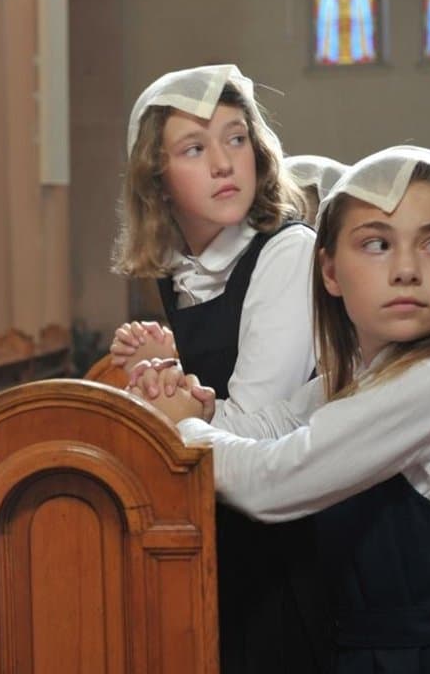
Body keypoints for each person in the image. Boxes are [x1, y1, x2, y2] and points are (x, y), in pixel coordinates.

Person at [134, 145, 430, 673]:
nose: (406, 269)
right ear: (330, 271)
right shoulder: (374, 372)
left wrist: (184, 428)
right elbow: (274, 424)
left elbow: (276, 479)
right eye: (377, 244)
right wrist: (195, 408)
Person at [108, 64, 327, 672]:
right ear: (156, 179)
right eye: (194, 149)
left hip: (285, 535)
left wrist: (169, 405)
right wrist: (163, 376)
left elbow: (261, 426)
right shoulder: (178, 269)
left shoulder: (286, 252)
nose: (225, 163)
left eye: (236, 138)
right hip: (216, 522)